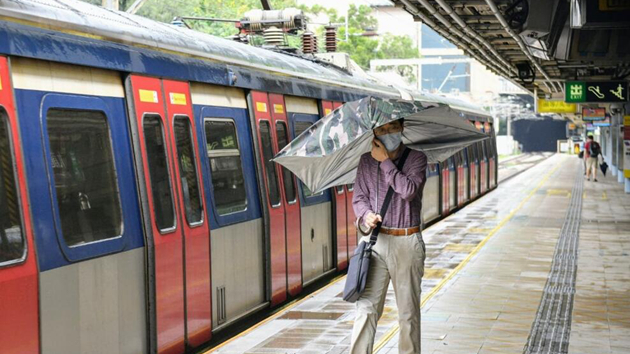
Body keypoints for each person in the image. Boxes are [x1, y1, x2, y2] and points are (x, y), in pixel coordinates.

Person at [351, 118, 428, 354]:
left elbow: (408, 191)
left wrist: (385, 162)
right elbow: (358, 198)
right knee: (366, 309)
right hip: (375, 243)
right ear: (374, 133)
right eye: (382, 130)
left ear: (402, 128)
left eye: (392, 128)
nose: (388, 133)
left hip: (407, 241)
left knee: (408, 313)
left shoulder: (417, 159)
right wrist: (366, 216)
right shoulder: (365, 161)